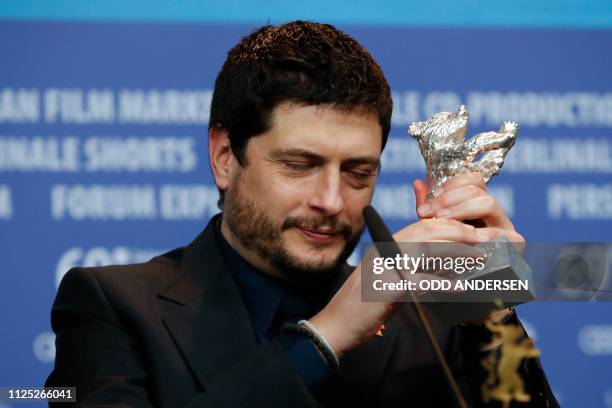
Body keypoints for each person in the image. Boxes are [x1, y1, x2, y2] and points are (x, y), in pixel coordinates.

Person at [46, 21, 558, 407]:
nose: (332, 201)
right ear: (225, 157)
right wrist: (324, 338)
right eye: (299, 165)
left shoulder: (428, 322)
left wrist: (490, 315)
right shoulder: (112, 307)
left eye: (359, 173)